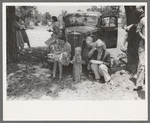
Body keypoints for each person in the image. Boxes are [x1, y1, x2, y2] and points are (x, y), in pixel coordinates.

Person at [134, 6, 145, 91]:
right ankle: (139, 84)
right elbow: (138, 31)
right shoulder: (143, 20)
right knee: (142, 64)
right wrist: (144, 37)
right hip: (143, 44)